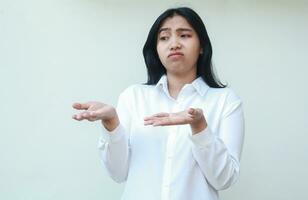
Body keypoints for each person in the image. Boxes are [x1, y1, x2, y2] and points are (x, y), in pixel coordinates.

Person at [72, 7, 245, 200]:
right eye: (164, 38)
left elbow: (224, 179)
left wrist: (199, 127)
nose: (174, 44)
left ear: (202, 45)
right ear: (156, 49)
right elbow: (118, 173)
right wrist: (111, 123)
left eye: (185, 35)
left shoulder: (225, 100)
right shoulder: (133, 97)